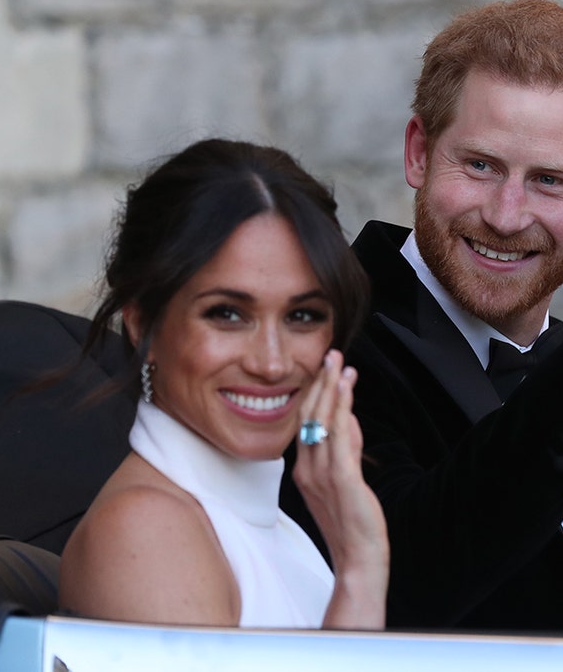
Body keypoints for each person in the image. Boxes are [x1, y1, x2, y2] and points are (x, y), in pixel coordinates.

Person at [280, 0, 563, 633]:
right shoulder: (325, 336)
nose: (506, 215)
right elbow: (405, 583)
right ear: (419, 153)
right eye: (480, 166)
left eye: (550, 180)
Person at [59, 138, 389, 630]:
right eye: (228, 314)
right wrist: (361, 573)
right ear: (141, 321)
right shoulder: (147, 531)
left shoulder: (271, 524)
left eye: (302, 315)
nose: (272, 363)